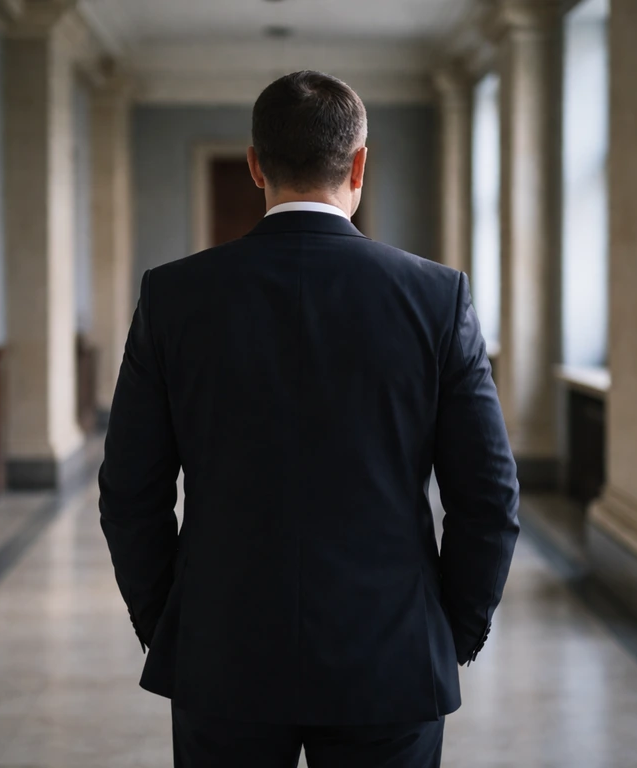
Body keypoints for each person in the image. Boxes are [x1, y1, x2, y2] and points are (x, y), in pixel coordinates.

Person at [99, 70, 520, 768]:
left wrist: (170, 622)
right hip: (389, 654)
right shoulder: (436, 298)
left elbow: (128, 493)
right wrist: (452, 634)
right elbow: (489, 498)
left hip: (222, 651)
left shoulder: (174, 298)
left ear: (256, 163)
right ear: (359, 165)